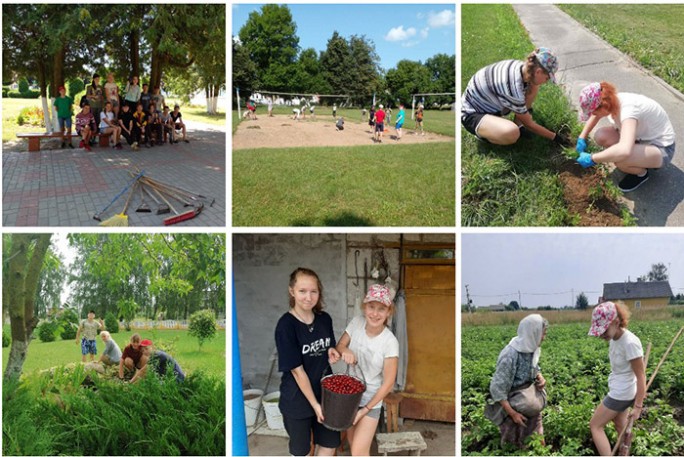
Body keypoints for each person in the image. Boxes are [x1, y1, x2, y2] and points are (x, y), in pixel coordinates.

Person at [275, 267, 342, 457]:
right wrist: (315, 405)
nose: (308, 297)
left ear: (319, 292)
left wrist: (332, 351)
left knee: (329, 444)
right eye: (302, 291)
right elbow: (297, 371)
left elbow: (329, 346)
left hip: (326, 395)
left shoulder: (324, 319)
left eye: (313, 291)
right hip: (297, 399)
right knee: (302, 451)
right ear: (292, 291)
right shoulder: (286, 326)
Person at [575, 81, 676, 192]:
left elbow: (624, 150)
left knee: (621, 159)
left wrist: (592, 158)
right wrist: (582, 137)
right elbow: (596, 116)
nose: (593, 115)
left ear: (603, 107)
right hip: (641, 137)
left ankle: (641, 174)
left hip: (661, 148)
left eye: (593, 112)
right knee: (601, 136)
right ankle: (638, 158)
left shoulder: (628, 111)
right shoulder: (612, 101)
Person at [335, 285, 399, 456]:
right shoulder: (356, 323)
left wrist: (365, 410)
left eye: (381, 309)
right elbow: (340, 346)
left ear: (388, 312)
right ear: (364, 307)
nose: (375, 313)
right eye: (371, 307)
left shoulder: (389, 342)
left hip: (371, 401)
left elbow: (388, 383)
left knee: (358, 451)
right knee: (353, 442)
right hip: (349, 397)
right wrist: (345, 351)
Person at [461, 47, 571, 146]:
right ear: (538, 72)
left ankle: (518, 124)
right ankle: (484, 134)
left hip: (487, 103)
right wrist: (555, 137)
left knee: (534, 86)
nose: (546, 82)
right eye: (547, 78)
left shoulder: (523, 68)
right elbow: (530, 124)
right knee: (512, 133)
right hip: (472, 114)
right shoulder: (513, 88)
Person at [588, 301, 646, 456]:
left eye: (604, 330)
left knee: (595, 425)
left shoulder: (630, 343)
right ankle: (624, 452)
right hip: (621, 389)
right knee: (620, 425)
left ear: (616, 321)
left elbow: (641, 376)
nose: (601, 335)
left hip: (621, 393)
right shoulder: (615, 338)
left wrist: (638, 407)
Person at [489, 314, 548, 447]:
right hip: (511, 402)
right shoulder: (510, 355)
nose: (544, 338)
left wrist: (540, 377)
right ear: (532, 333)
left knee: (537, 441)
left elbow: (534, 368)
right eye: (542, 334)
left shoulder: (531, 348)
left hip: (527, 397)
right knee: (514, 441)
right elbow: (497, 388)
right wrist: (513, 413)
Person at [86, 73, 104, 137]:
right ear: (93, 79)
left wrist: (102, 103)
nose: (98, 80)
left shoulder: (101, 87)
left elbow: (102, 97)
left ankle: (96, 134)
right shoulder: (89, 87)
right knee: (92, 121)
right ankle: (91, 136)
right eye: (96, 79)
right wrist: (93, 96)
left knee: (98, 120)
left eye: (99, 79)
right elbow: (87, 96)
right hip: (92, 106)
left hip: (99, 106)